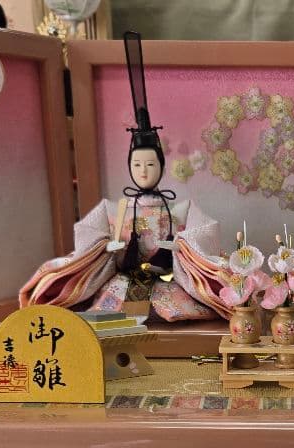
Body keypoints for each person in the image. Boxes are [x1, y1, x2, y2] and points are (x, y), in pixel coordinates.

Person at [20, 32, 226, 321]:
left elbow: (205, 232)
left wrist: (182, 246)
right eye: (137, 164)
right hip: (123, 281)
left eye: (150, 164)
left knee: (172, 314)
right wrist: (106, 248)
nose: (144, 171)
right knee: (116, 317)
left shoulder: (182, 208)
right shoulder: (113, 209)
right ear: (129, 167)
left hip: (167, 281)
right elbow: (88, 238)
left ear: (161, 166)